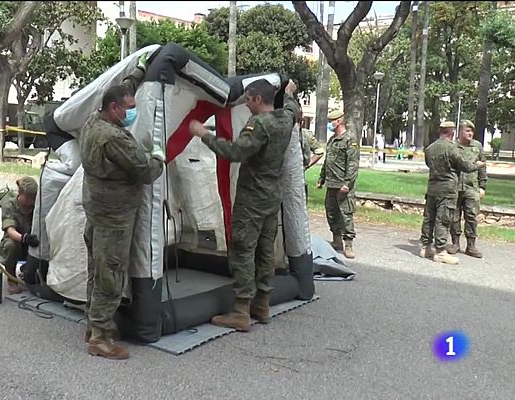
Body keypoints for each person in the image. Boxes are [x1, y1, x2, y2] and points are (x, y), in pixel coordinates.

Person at [189, 78, 298, 332]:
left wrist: (203, 134)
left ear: (258, 100)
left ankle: (241, 310)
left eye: (248, 100)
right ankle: (262, 304)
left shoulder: (259, 124)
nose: (246, 105)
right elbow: (293, 108)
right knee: (265, 250)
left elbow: (236, 152)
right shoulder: (285, 119)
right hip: (272, 197)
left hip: (252, 199)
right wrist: (290, 92)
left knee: (243, 250)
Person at [81, 52, 164, 360]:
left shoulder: (93, 120)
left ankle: (93, 325)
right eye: (129, 108)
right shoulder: (115, 138)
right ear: (114, 109)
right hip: (115, 216)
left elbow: (123, 86)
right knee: (110, 275)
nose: (133, 112)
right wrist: (159, 156)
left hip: (96, 210)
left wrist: (140, 71)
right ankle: (100, 338)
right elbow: (145, 172)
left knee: (97, 270)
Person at [419, 121, 484, 264]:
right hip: (447, 189)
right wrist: (477, 165)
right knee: (443, 219)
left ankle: (425, 247)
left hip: (432, 188)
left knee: (429, 218)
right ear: (451, 132)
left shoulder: (429, 148)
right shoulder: (451, 148)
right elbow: (465, 166)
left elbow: (429, 164)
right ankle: (440, 251)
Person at [316, 109, 360, 259]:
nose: (330, 124)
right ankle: (337, 240)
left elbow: (353, 165)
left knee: (345, 214)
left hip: (343, 185)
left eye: (331, 121)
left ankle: (348, 244)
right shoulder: (332, 140)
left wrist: (347, 183)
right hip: (331, 183)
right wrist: (321, 178)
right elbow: (328, 161)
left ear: (339, 121)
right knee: (331, 213)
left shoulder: (349, 139)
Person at [447, 119, 487, 258]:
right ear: (460, 132)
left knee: (471, 216)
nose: (470, 134)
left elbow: (483, 166)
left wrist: (482, 186)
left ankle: (471, 246)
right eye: (467, 131)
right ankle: (455, 243)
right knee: (454, 216)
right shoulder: (452, 146)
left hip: (472, 187)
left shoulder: (477, 146)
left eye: (472, 131)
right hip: (455, 186)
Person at [0, 176, 39, 294]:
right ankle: (11, 279)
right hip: (16, 243)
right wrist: (24, 238)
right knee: (11, 245)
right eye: (29, 197)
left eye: (34, 197)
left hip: (32, 244)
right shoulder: (9, 205)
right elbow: (10, 230)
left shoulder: (37, 206)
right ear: (20, 193)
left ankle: (30, 271)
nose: (32, 201)